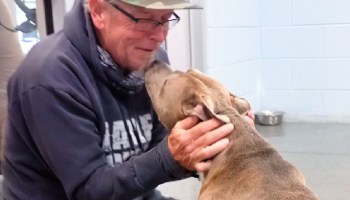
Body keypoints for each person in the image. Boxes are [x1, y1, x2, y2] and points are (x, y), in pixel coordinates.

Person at [2, 0, 254, 199]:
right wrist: (170, 157)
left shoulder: (149, 61)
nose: (160, 36)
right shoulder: (50, 80)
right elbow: (89, 190)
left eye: (166, 20)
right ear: (99, 11)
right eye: (145, 20)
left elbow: (159, 145)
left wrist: (209, 143)